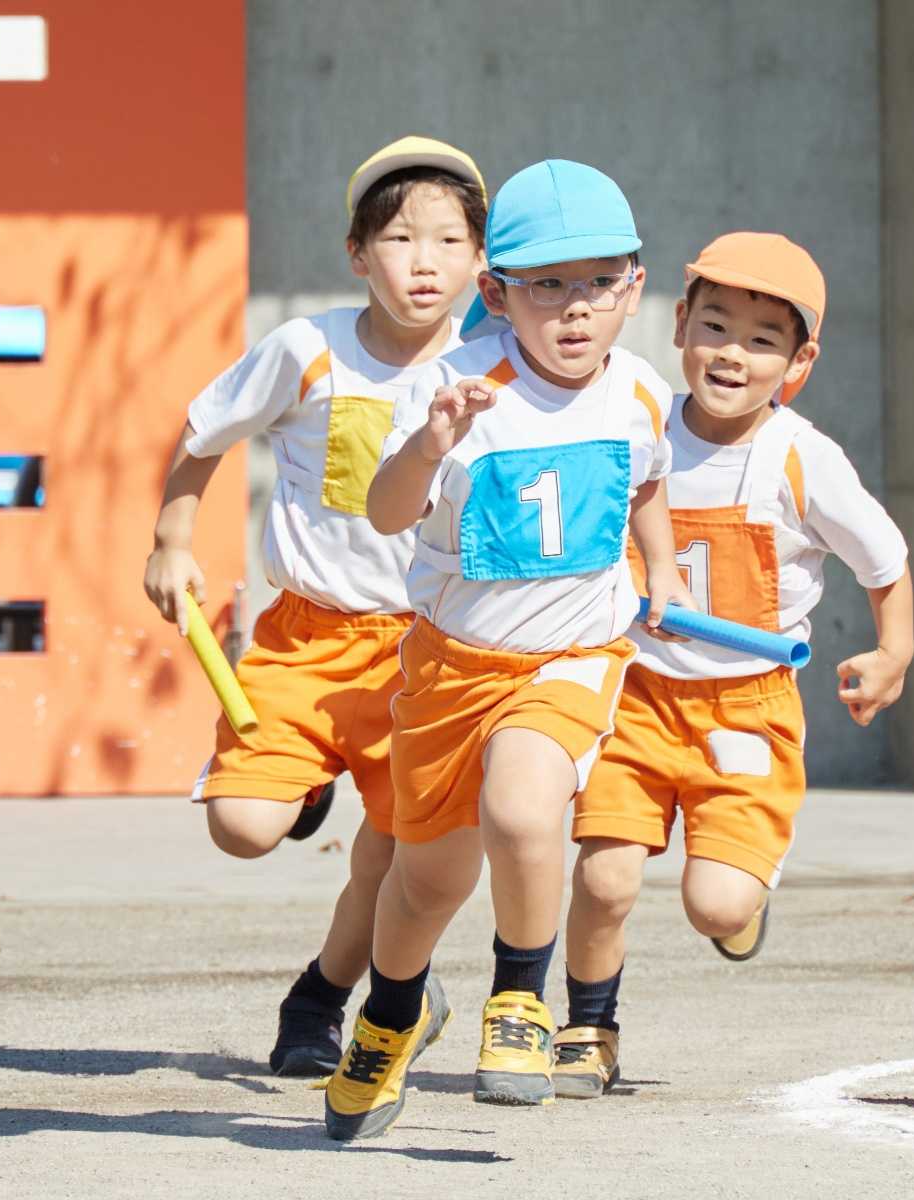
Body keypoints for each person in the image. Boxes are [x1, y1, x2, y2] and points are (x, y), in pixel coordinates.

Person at [322, 159, 693, 1140]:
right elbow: (385, 511)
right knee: (423, 885)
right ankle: (391, 1017)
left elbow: (647, 482)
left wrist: (661, 570)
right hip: (452, 671)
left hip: (572, 659)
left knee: (524, 811)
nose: (576, 309)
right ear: (496, 293)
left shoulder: (639, 390)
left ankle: (520, 1000)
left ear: (634, 288)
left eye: (600, 283)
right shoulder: (455, 388)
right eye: (547, 286)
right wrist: (429, 444)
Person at [142, 136, 487, 1077]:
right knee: (242, 828)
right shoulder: (307, 349)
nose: (424, 262)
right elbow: (203, 432)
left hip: (425, 656)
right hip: (307, 640)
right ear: (357, 254)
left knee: (390, 862)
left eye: (449, 242)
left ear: (479, 261)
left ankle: (322, 999)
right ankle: (301, 779)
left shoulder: (491, 369)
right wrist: (172, 539)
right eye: (400, 239)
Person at [552, 232, 914, 1099]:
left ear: (799, 363)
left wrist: (893, 652)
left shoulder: (800, 457)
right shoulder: (635, 424)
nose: (731, 354)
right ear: (679, 324)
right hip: (635, 694)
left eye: (762, 341)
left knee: (714, 904)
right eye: (714, 326)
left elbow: (885, 560)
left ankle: (746, 896)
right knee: (604, 878)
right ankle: (589, 1028)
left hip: (747, 711)